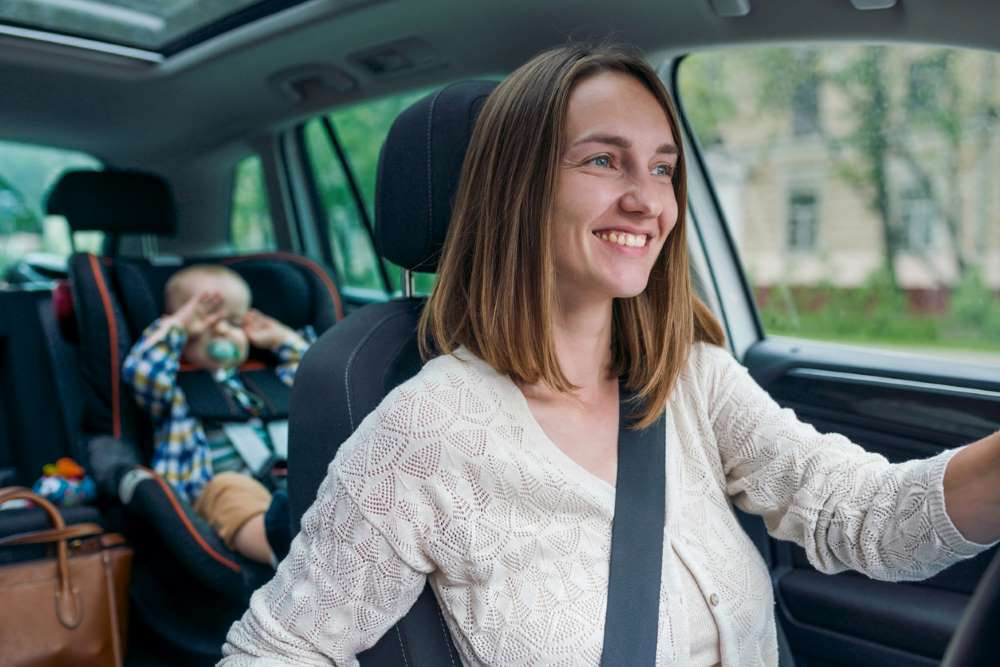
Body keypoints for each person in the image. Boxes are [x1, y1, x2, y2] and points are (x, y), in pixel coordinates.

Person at [220, 44, 1000, 665]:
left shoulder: (689, 380)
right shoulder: (427, 431)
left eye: (662, 166)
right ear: (519, 189)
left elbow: (867, 517)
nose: (647, 198)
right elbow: (278, 647)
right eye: (603, 160)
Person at [118, 264, 311, 565]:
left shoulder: (270, 379)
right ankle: (283, 550)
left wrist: (279, 338)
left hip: (293, 484)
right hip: (217, 490)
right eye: (206, 323)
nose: (221, 331)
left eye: (234, 323)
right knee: (231, 493)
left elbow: (319, 375)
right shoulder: (174, 389)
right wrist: (177, 326)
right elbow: (141, 371)